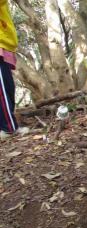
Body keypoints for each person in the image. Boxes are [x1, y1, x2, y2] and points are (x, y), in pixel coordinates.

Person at [0, 0, 28, 140]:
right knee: (3, 90)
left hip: (5, 45)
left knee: (8, 88)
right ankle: (8, 128)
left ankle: (5, 126)